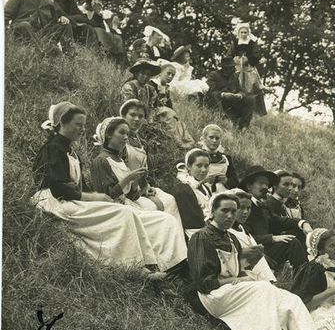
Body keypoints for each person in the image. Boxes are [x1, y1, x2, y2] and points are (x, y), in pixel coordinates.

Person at [187, 193, 331, 330]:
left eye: (234, 211)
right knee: (263, 289)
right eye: (224, 210)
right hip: (213, 296)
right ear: (213, 212)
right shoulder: (201, 237)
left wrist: (249, 263)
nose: (230, 216)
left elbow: (236, 269)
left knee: (288, 297)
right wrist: (238, 279)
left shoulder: (231, 238)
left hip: (230, 290)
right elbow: (204, 282)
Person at [31, 102, 170, 277]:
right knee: (123, 213)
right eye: (78, 125)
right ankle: (134, 268)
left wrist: (97, 196)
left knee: (124, 210)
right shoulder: (53, 148)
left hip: (66, 199)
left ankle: (149, 263)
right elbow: (58, 187)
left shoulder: (69, 150)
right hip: (52, 201)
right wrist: (93, 197)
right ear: (63, 123)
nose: (82, 129)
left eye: (84, 125)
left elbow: (79, 186)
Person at [89, 116, 187, 273]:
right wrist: (128, 178)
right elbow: (106, 197)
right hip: (116, 211)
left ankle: (175, 261)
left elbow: (131, 195)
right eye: (121, 133)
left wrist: (139, 185)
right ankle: (170, 265)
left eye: (127, 134)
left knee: (166, 209)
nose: (126, 138)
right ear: (108, 135)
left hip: (128, 205)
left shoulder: (119, 159)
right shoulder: (101, 161)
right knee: (166, 220)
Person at [239, 166, 312, 271]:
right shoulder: (243, 206)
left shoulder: (262, 205)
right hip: (254, 252)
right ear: (249, 186)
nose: (265, 187)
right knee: (291, 242)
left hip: (266, 247)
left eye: (266, 184)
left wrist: (302, 222)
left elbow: (278, 221)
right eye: (261, 183)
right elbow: (246, 237)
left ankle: (306, 271)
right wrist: (272, 238)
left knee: (296, 233)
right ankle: (304, 277)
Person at [226, 189, 276, 283]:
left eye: (248, 208)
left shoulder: (243, 229)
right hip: (236, 276)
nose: (245, 212)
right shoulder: (226, 232)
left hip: (254, 271)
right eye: (241, 208)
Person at [5, 0, 74, 50]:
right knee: (25, 25)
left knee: (65, 25)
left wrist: (61, 18)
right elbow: (5, 16)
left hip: (40, 34)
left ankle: (71, 56)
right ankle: (41, 54)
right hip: (21, 32)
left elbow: (54, 21)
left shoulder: (46, 0)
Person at [171, 149, 213, 239]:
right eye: (199, 166)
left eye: (206, 166)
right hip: (195, 236)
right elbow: (192, 223)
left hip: (209, 229)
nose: (204, 170)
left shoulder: (205, 187)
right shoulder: (183, 189)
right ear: (189, 166)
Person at [227, 22, 267, 116]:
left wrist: (248, 59)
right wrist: (234, 60)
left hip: (249, 69)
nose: (244, 34)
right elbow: (228, 55)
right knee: (237, 88)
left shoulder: (252, 43)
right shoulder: (235, 44)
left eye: (245, 32)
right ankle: (237, 110)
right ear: (238, 33)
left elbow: (257, 55)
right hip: (237, 69)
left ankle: (256, 112)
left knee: (253, 89)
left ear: (248, 33)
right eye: (242, 32)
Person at [206, 57, 255, 129]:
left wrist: (240, 95)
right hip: (219, 102)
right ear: (222, 68)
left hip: (232, 102)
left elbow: (241, 90)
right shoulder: (214, 75)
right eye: (227, 68)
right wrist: (223, 94)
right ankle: (222, 120)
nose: (230, 69)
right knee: (214, 95)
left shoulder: (234, 76)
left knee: (250, 99)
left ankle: (244, 126)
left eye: (231, 67)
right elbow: (210, 91)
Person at [196, 124, 239, 193]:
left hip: (223, 193)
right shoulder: (196, 155)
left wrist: (226, 180)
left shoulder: (226, 158)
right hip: (202, 193)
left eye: (217, 138)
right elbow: (189, 179)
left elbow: (235, 182)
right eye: (211, 137)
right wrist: (204, 180)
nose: (214, 141)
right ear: (204, 138)